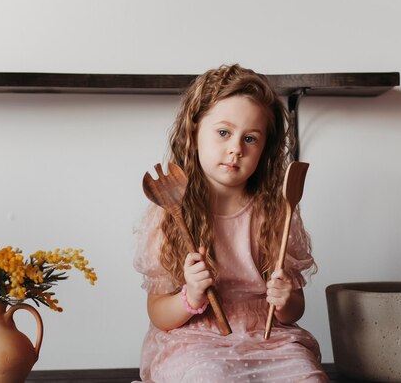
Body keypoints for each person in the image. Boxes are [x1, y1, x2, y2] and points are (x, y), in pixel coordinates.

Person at [134, 64, 328, 382]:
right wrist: (191, 296)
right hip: (195, 342)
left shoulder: (277, 211)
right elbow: (159, 314)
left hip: (268, 339)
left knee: (309, 378)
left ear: (265, 149)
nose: (236, 148)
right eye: (223, 133)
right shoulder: (170, 213)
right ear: (194, 131)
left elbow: (295, 310)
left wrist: (284, 301)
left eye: (250, 139)